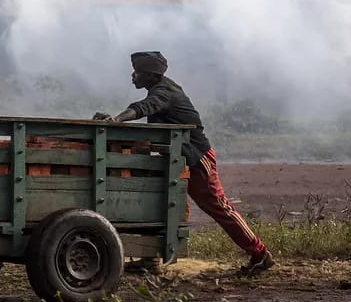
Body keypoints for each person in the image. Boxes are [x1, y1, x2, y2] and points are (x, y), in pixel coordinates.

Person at [93, 51, 274, 276]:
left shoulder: (165, 92)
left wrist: (117, 120)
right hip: (174, 161)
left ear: (149, 75)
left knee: (219, 207)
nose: (133, 76)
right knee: (159, 203)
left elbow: (144, 107)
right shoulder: (162, 88)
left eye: (137, 72)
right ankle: (151, 260)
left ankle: (260, 254)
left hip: (196, 159)